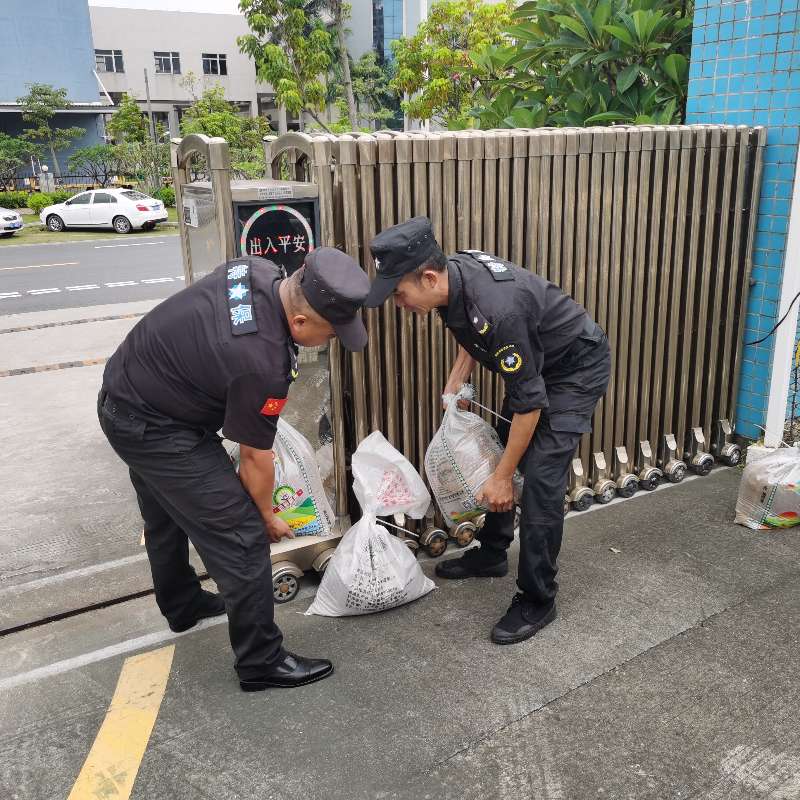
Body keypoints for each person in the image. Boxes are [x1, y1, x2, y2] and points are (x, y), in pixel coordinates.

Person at [98, 248, 370, 690]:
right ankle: (261, 661)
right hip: (156, 426)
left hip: (128, 393)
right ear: (301, 322)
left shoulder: (258, 270)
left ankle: (183, 605)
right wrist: (265, 516)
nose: (332, 340)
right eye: (332, 332)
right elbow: (255, 457)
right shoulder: (263, 361)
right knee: (242, 535)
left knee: (165, 513)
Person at [365, 217, 610, 645]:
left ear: (428, 278)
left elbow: (529, 404)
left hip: (574, 369)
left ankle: (538, 599)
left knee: (539, 480)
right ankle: (494, 553)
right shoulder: (453, 279)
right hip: (538, 363)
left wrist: (502, 478)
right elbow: (472, 331)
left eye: (399, 294)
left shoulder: (499, 309)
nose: (398, 303)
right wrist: (457, 379)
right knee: (500, 449)